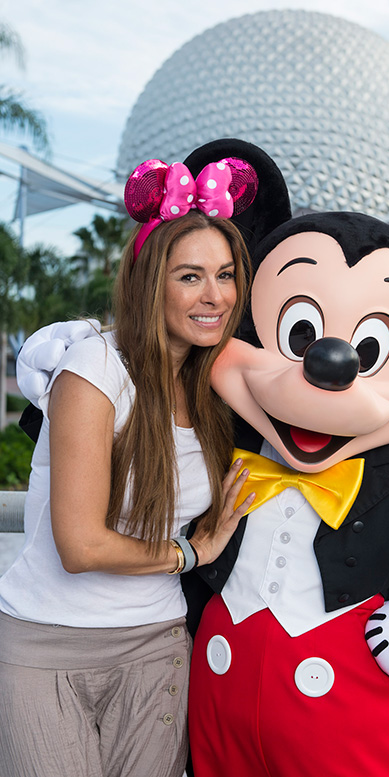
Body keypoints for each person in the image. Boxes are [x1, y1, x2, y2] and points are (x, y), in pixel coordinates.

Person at [0, 154, 256, 777]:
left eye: (225, 275)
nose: (214, 296)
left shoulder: (218, 388)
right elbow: (81, 545)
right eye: (190, 277)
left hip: (157, 646)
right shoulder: (94, 369)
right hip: (44, 645)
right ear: (150, 279)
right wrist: (193, 552)